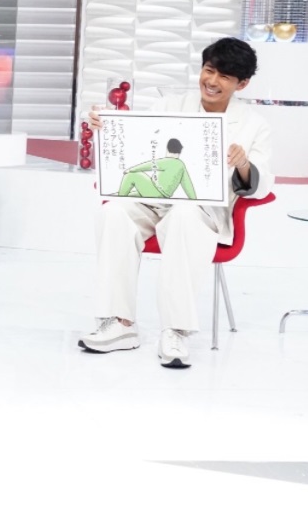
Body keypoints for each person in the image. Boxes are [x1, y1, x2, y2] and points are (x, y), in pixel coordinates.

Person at [80, 37, 272, 368]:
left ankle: (175, 330)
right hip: (152, 202)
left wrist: (243, 163)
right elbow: (135, 147)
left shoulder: (254, 124)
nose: (212, 81)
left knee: (184, 214)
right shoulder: (169, 105)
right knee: (114, 212)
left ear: (241, 84)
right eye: (209, 70)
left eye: (224, 76)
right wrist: (104, 126)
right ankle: (119, 323)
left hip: (202, 211)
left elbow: (262, 183)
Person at [117, 138, 196, 199]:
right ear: (180, 151)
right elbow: (188, 185)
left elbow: (148, 165)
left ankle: (119, 199)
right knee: (132, 194)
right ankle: (118, 196)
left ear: (167, 149)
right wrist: (194, 200)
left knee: (131, 175)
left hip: (156, 192)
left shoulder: (167, 161)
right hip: (162, 195)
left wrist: (130, 169)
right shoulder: (181, 165)